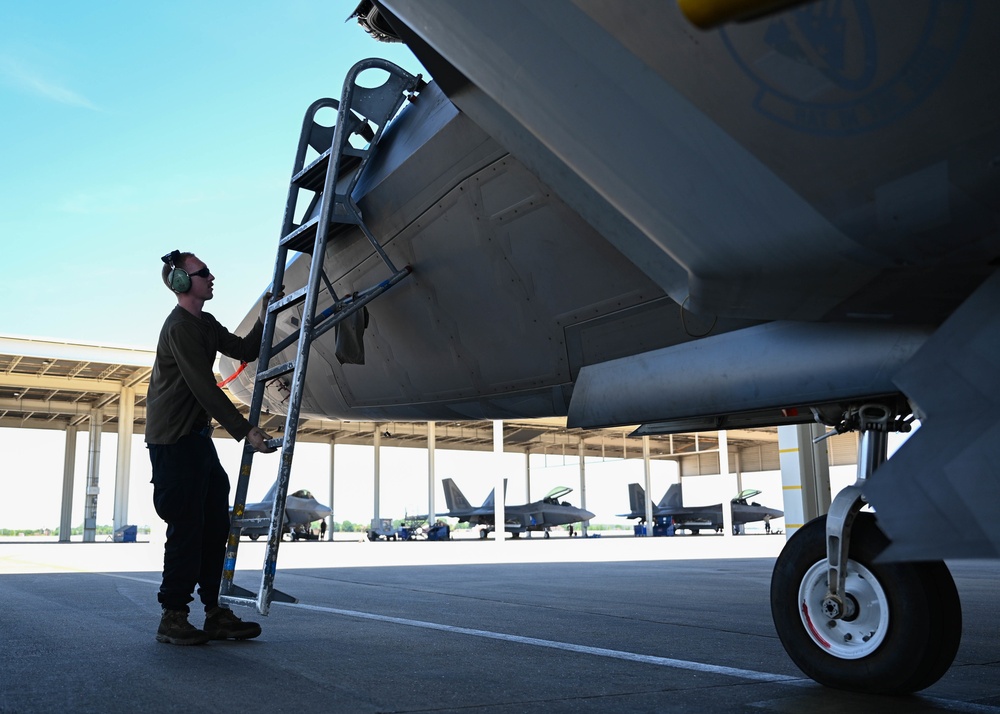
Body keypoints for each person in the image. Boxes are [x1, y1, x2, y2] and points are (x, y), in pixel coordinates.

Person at [146, 249, 278, 646]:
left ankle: (215, 611)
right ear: (183, 282)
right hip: (173, 441)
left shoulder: (205, 323)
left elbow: (245, 350)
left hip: (196, 440)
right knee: (187, 528)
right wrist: (245, 430)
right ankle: (173, 616)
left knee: (215, 526)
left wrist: (267, 312)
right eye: (203, 273)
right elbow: (205, 388)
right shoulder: (180, 328)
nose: (212, 277)